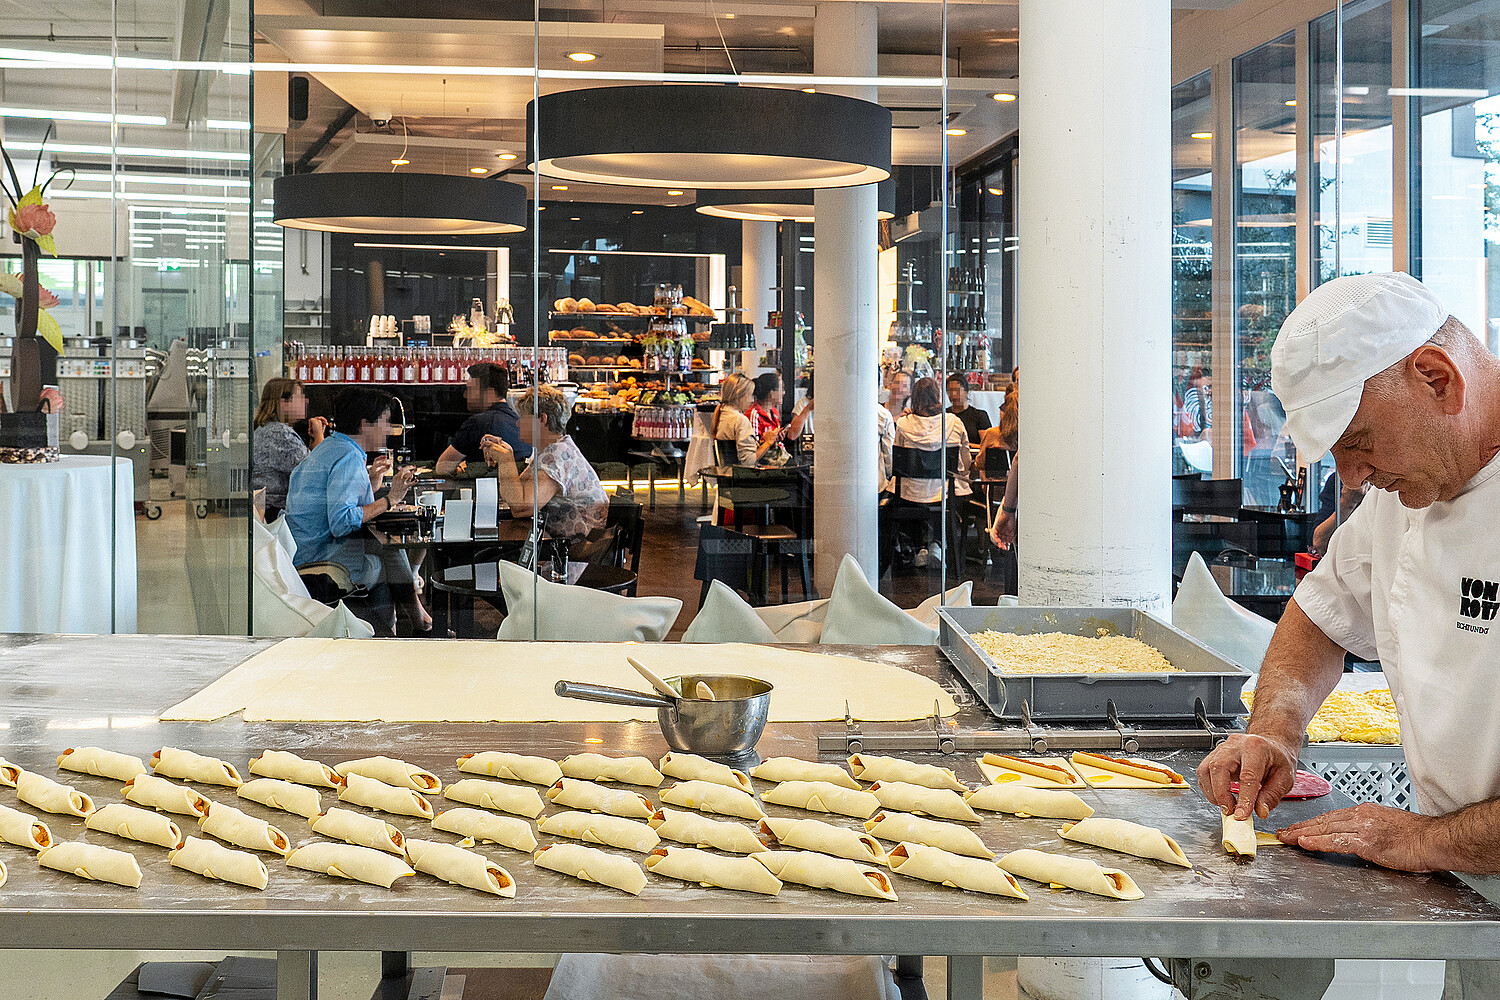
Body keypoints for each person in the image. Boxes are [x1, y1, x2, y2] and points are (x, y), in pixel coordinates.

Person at [1196, 272, 1500, 946]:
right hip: (1471, 885)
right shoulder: (1405, 493)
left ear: (1438, 379)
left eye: (1358, 443)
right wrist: (1275, 730)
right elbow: (1321, 615)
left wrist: (1428, 839)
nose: (1353, 477)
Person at [285, 386, 424, 634]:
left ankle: (393, 629)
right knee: (386, 559)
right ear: (364, 425)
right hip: (320, 566)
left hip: (301, 554)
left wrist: (369, 483)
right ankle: (408, 624)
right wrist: (391, 499)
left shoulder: (329, 449)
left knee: (385, 552)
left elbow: (332, 501)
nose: (388, 429)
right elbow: (341, 521)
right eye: (384, 422)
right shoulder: (348, 457)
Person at [481, 384, 607, 544]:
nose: (518, 423)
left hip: (576, 551)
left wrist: (506, 460)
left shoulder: (557, 454)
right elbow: (514, 496)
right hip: (566, 545)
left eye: (523, 417)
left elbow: (522, 507)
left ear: (542, 419)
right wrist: (506, 453)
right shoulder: (554, 449)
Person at [892, 376, 972, 568]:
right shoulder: (954, 422)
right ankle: (937, 542)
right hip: (946, 492)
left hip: (910, 493)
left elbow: (895, 460)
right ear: (938, 396)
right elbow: (965, 461)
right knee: (940, 494)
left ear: (914, 398)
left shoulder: (903, 424)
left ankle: (918, 546)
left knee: (909, 494)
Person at [434, 362, 532, 477]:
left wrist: (462, 470)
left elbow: (443, 468)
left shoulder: (478, 423)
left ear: (490, 393)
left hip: (483, 488)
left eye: (470, 390)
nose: (465, 395)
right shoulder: (519, 423)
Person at [252, 377, 328, 521]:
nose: (306, 401)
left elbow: (304, 462)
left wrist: (313, 440)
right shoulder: (279, 434)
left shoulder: (270, 429)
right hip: (275, 513)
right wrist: (319, 435)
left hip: (268, 510)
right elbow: (316, 471)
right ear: (284, 403)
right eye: (299, 398)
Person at [712, 373, 779, 466]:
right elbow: (748, 461)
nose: (752, 400)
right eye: (751, 395)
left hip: (726, 472)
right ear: (739, 395)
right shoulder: (740, 420)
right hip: (741, 473)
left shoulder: (721, 413)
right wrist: (768, 442)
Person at [946, 374, 992, 447]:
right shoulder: (944, 415)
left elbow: (987, 445)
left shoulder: (979, 416)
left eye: (957, 390)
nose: (953, 394)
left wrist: (965, 445)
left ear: (967, 392)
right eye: (950, 391)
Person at [747, 372, 784, 443]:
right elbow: (754, 445)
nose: (783, 392)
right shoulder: (754, 414)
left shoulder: (774, 411)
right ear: (772, 393)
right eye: (781, 389)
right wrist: (769, 441)